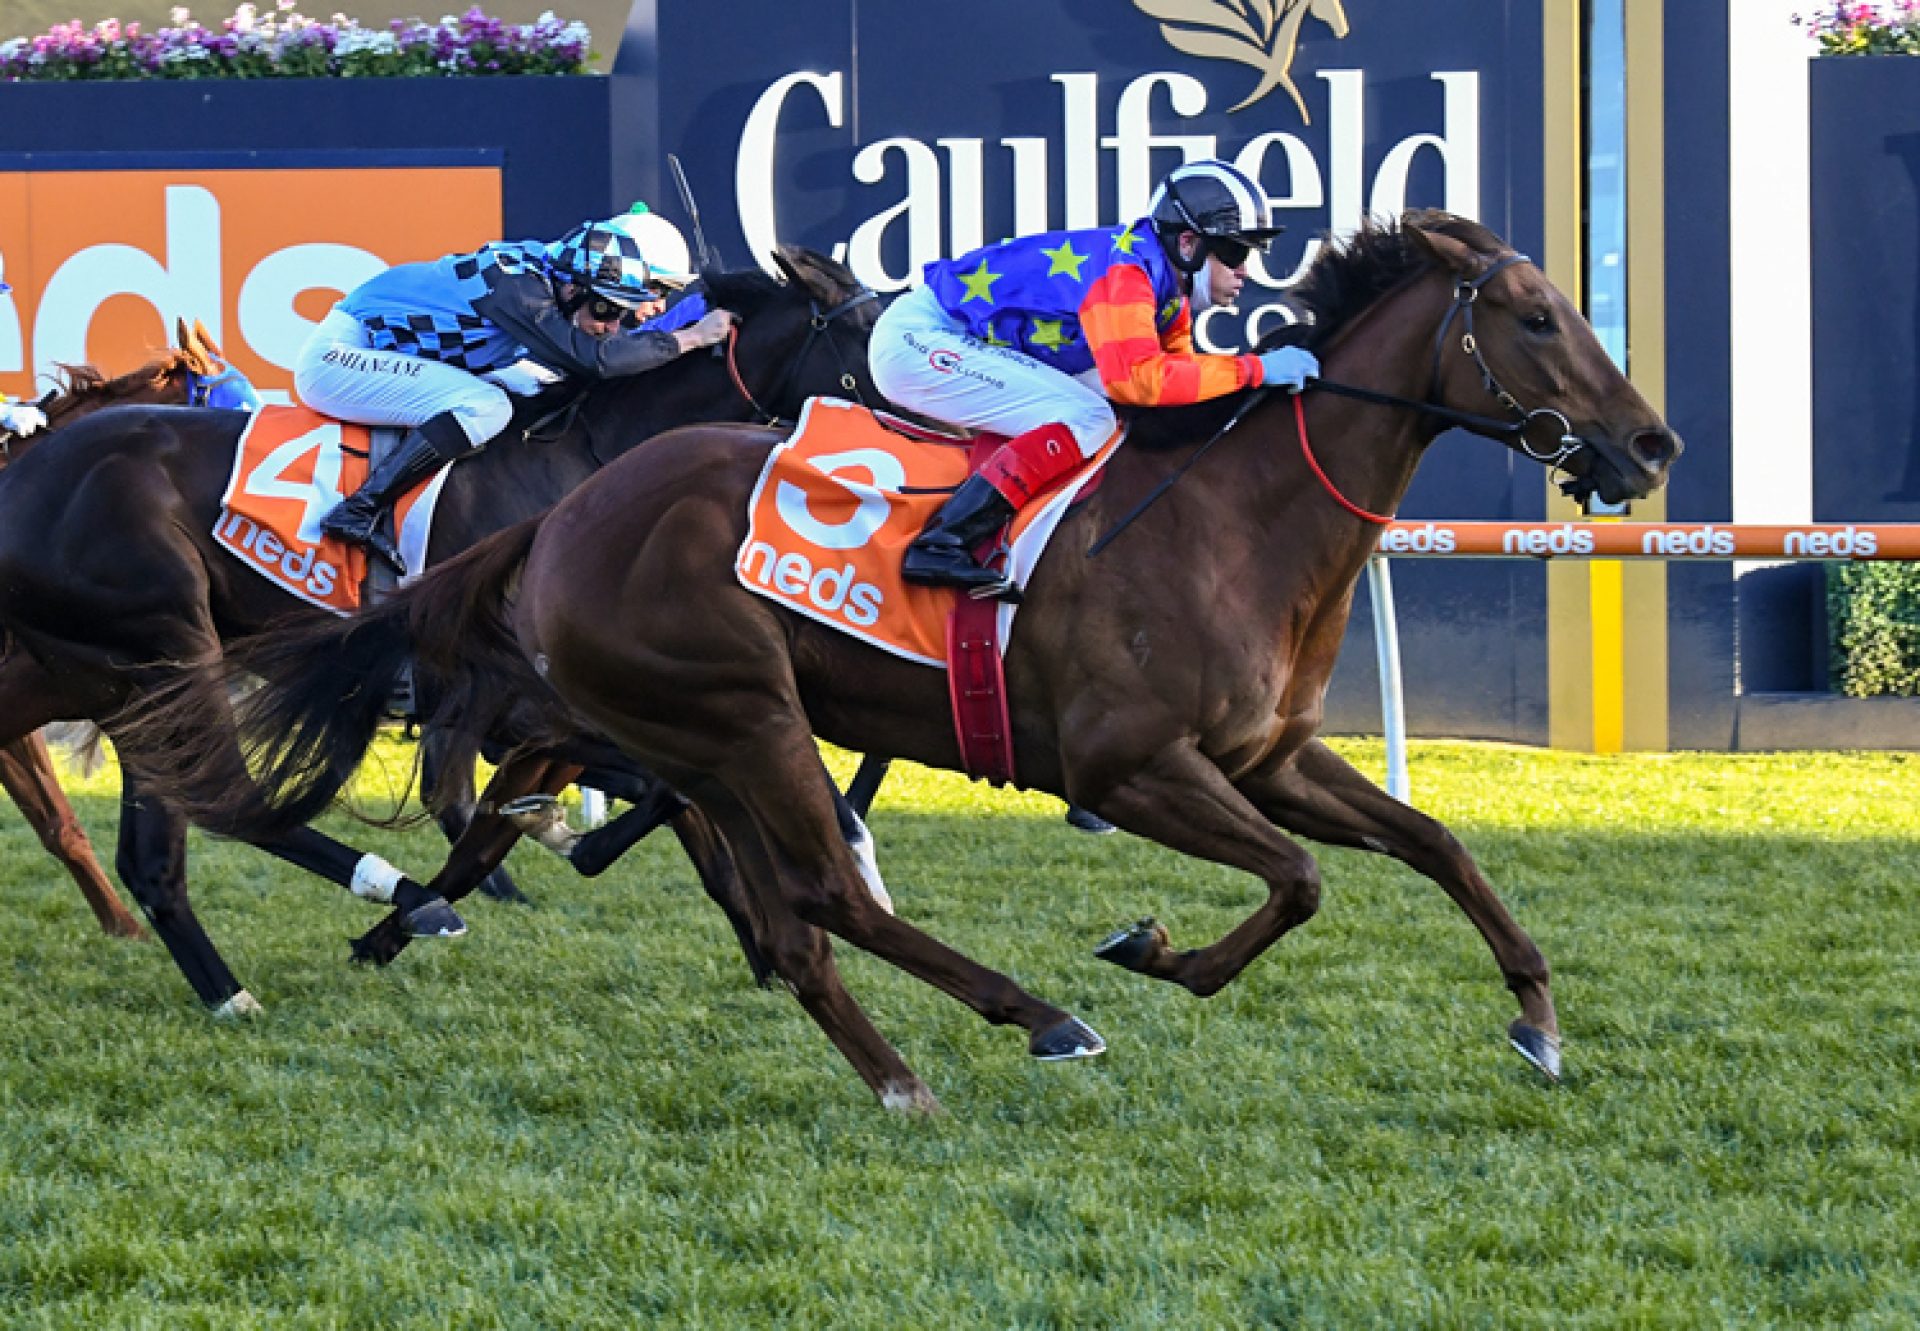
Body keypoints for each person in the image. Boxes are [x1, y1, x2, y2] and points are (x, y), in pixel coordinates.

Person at [868, 158, 1320, 601]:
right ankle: (943, 542)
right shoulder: (1125, 274)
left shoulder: (1167, 291)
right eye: (1235, 251)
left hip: (964, 340)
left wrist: (1255, 387)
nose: (1245, 269)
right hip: (920, 341)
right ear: (1188, 243)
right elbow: (1139, 381)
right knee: (1089, 418)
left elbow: (1178, 385)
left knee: (1107, 414)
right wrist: (1256, 369)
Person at [294, 204, 737, 574]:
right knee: (485, 407)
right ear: (576, 286)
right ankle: (360, 508)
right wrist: (692, 337)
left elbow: (608, 348)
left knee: (534, 383)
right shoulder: (520, 290)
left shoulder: (556, 277)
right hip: (339, 355)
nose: (639, 313)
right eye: (612, 309)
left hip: (397, 351)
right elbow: (598, 360)